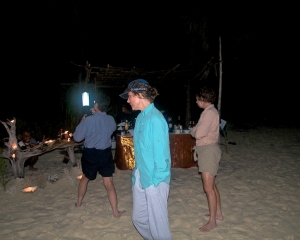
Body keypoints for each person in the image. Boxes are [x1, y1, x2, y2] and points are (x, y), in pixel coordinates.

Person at [119, 79, 172, 240]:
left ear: (139, 95)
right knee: (139, 219)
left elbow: (162, 155)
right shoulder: (141, 117)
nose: (127, 100)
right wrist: (137, 174)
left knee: (159, 227)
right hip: (142, 175)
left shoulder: (155, 119)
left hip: (155, 179)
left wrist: (157, 181)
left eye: (129, 96)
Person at [73, 93, 125, 218]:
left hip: (91, 154)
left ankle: (79, 203)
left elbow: (77, 137)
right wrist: (96, 114)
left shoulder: (88, 120)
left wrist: (83, 122)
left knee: (85, 178)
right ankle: (115, 212)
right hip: (106, 153)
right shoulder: (111, 119)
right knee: (109, 183)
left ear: (96, 104)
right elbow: (111, 129)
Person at [190, 86, 223, 232]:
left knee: (208, 188)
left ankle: (212, 222)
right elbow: (195, 131)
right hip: (207, 150)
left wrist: (196, 130)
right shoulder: (208, 112)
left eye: (197, 99)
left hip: (209, 151)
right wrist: (196, 130)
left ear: (203, 99)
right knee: (212, 185)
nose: (196, 102)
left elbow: (197, 133)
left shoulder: (209, 113)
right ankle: (218, 214)